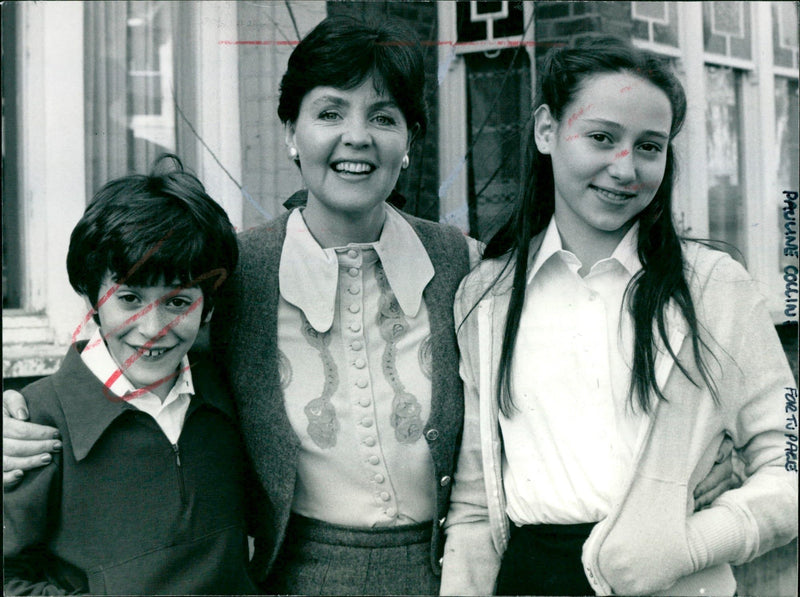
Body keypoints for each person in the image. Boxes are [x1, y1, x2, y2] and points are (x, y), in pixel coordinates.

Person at [2, 19, 738, 597]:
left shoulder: (467, 264)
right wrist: (22, 415)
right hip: (291, 576)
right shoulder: (239, 269)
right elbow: (140, 336)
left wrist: (678, 462)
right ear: (291, 131)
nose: (357, 137)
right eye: (330, 112)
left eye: (384, 116)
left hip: (450, 571)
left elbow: (558, 371)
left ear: (411, 142)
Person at [440, 36, 798, 596]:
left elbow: (790, 460)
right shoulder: (486, 295)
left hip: (680, 583)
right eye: (602, 137)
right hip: (531, 580)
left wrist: (693, 542)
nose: (625, 168)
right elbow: (472, 507)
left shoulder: (713, 287)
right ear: (545, 130)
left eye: (649, 146)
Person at [3, 156, 257, 595]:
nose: (151, 327)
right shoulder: (37, 423)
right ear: (92, 298)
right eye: (129, 298)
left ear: (209, 306)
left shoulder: (228, 393)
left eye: (178, 302)